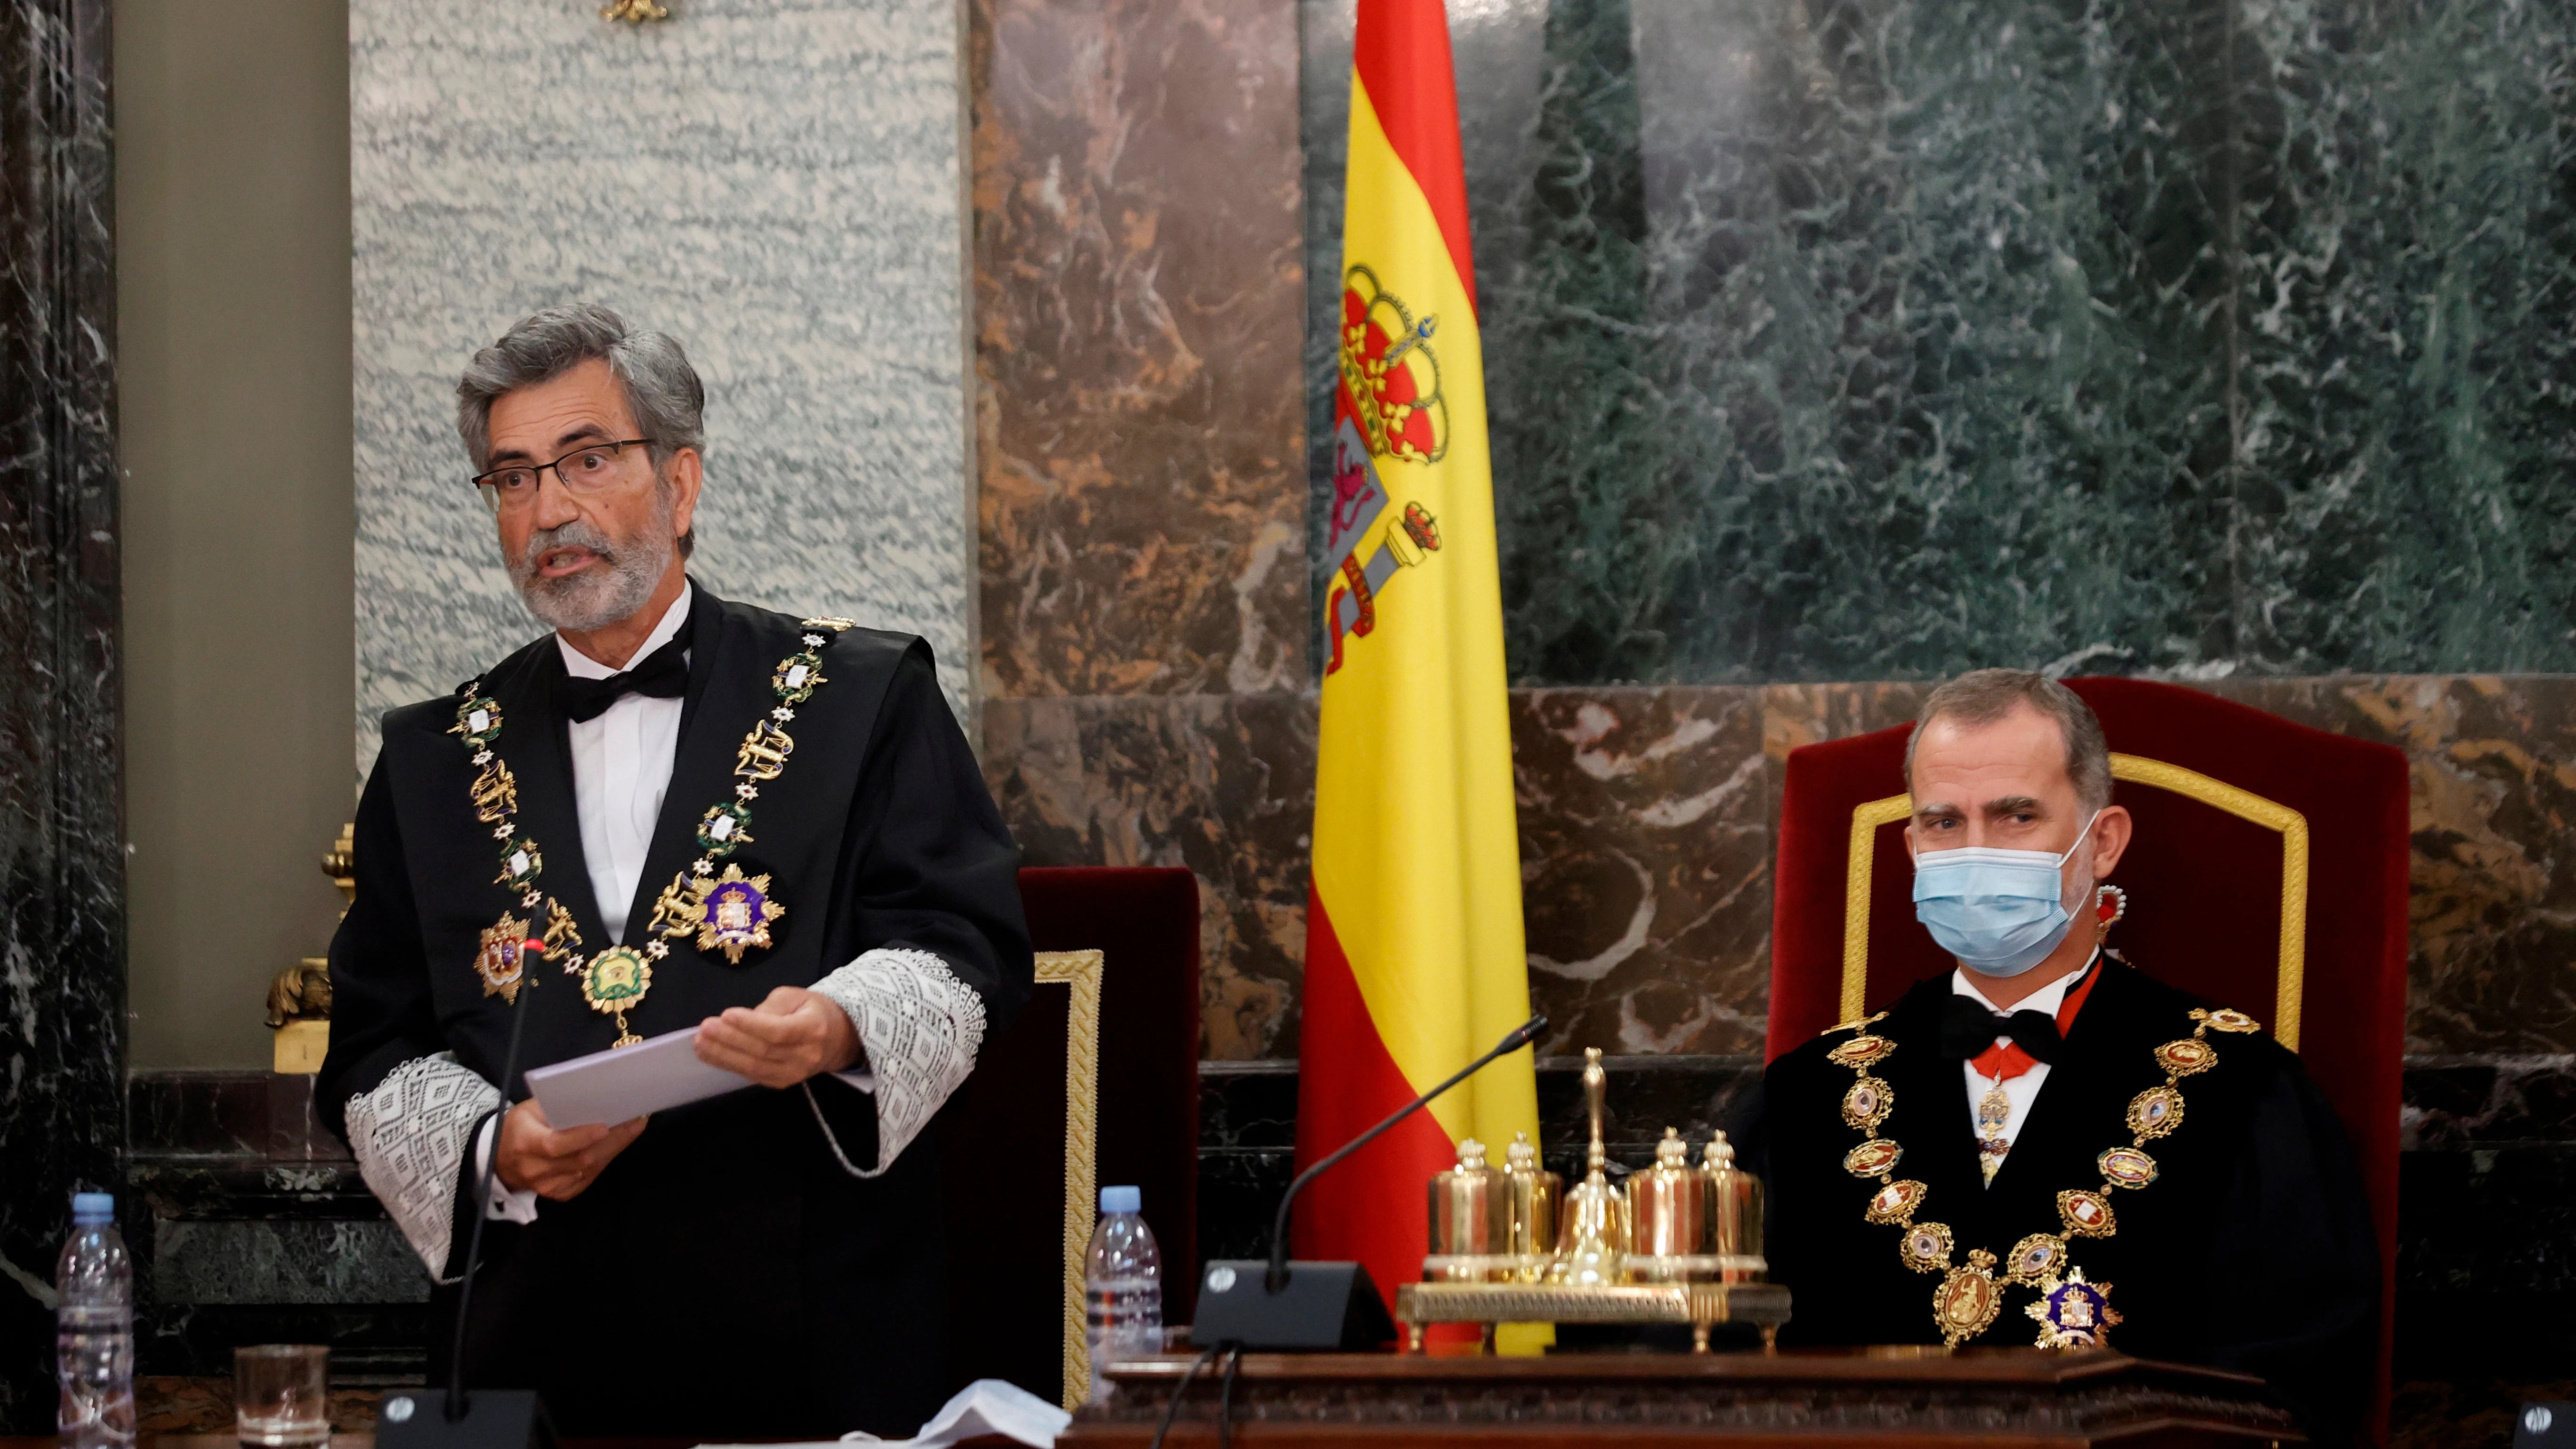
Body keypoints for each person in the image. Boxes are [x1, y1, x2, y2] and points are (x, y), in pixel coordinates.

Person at [317, 304, 1031, 1438]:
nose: (551, 509)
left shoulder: (863, 696)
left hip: (812, 1326)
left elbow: (968, 944)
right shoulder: (429, 759)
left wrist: (839, 1026)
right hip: (533, 1350)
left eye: (588, 461)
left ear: (682, 483)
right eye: (512, 478)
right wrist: (492, 1145)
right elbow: (371, 1047)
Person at [1738, 670, 2377, 1443]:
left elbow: (2294, 1391)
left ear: (2101, 842)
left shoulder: (2242, 1093)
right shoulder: (1806, 1096)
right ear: (1911, 846)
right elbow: (1713, 1369)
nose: (1975, 851)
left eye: (2015, 815)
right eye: (1944, 822)